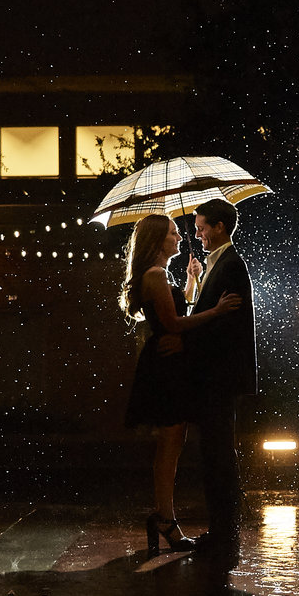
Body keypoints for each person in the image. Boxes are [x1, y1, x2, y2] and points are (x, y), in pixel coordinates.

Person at [120, 211, 246, 554]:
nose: (180, 237)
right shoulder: (156, 274)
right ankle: (164, 518)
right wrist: (216, 311)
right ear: (158, 240)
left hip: (169, 364)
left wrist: (193, 279)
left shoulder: (161, 274)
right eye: (174, 233)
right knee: (170, 445)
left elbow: (175, 313)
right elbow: (175, 325)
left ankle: (165, 517)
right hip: (165, 367)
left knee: (173, 442)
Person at [180, 197, 257, 566]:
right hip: (214, 379)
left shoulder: (230, 265)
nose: (197, 234)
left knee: (219, 456)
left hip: (218, 378)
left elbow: (222, 328)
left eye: (200, 227)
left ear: (219, 227)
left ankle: (225, 533)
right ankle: (222, 530)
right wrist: (195, 282)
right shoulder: (216, 265)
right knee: (214, 454)